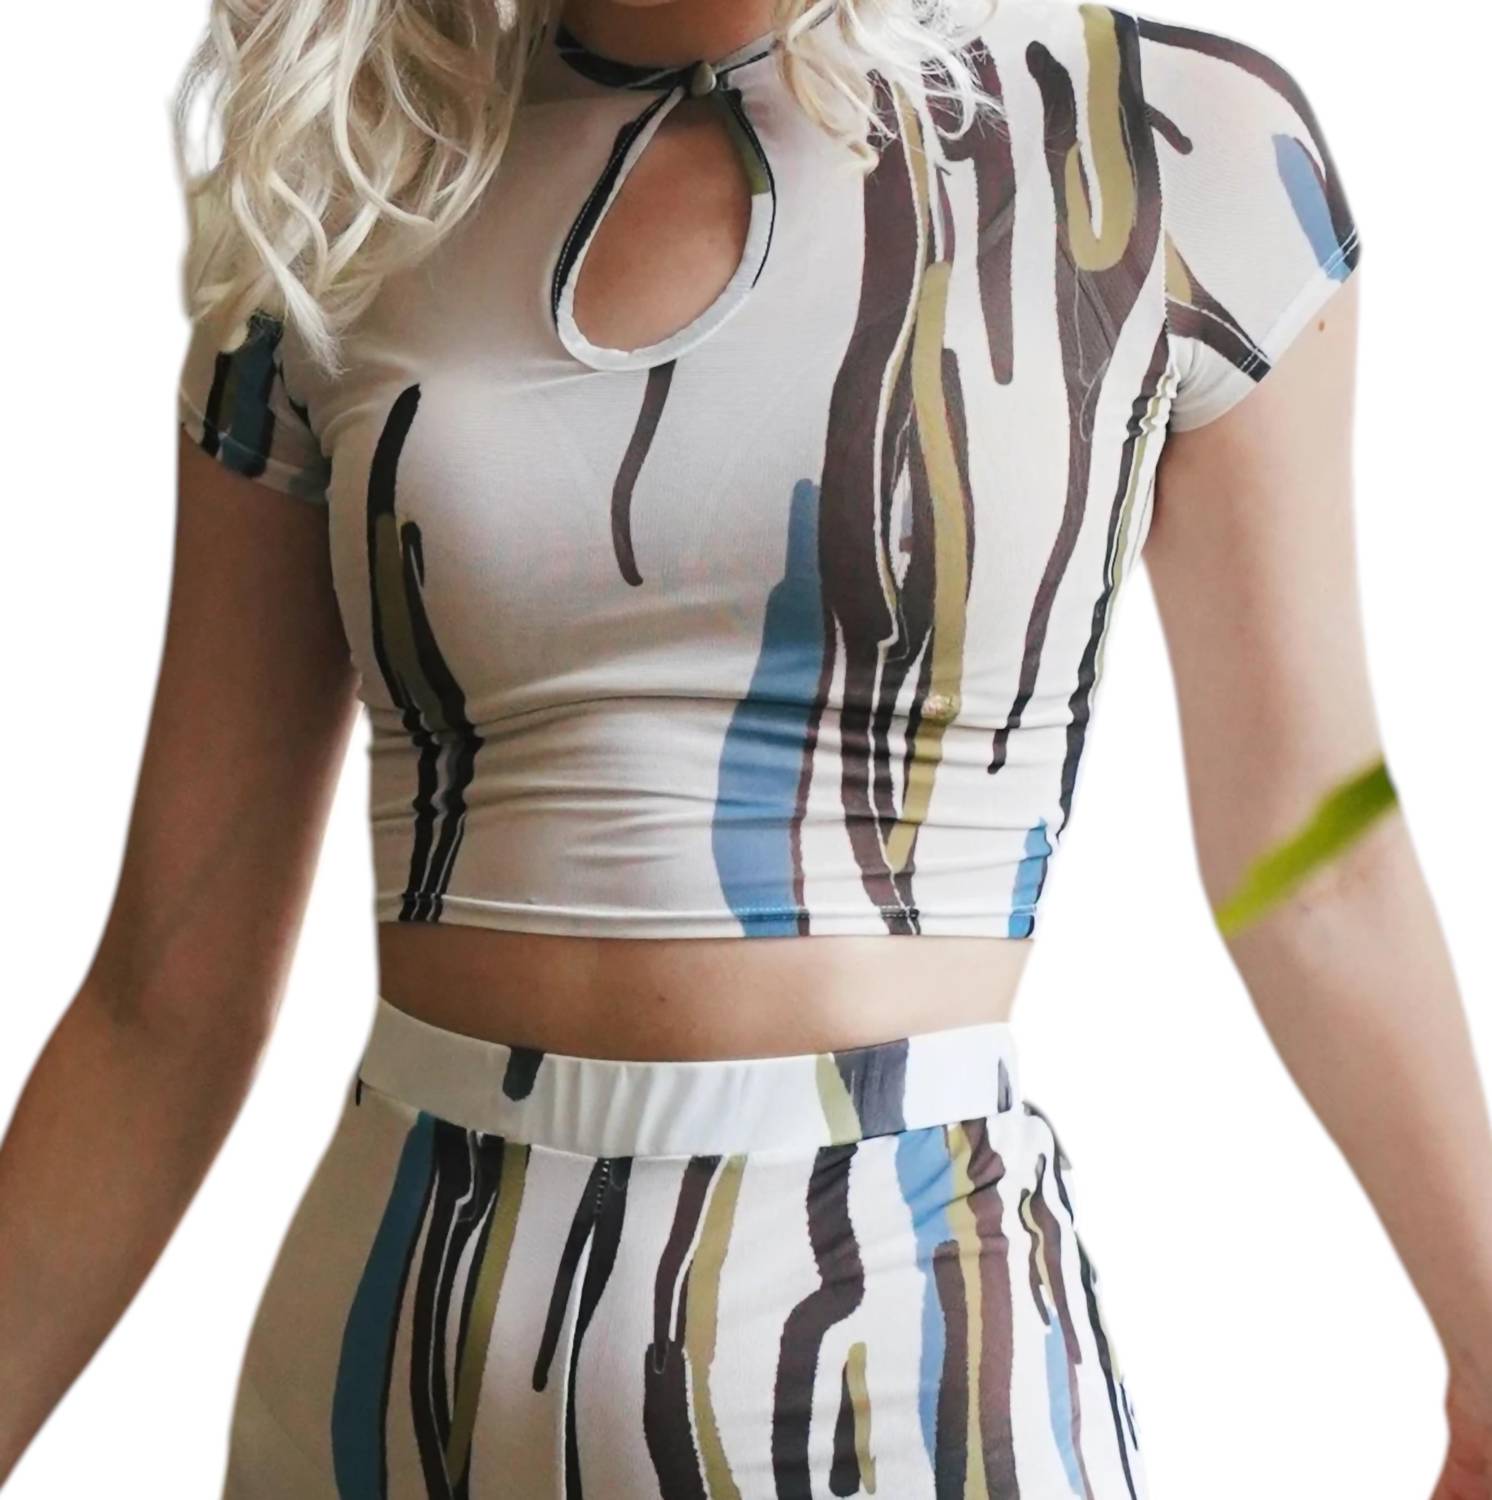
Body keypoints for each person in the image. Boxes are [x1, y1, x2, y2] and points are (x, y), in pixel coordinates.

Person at [1, 0, 1488, 1493]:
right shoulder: (359, 172)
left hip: (903, 1345)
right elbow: (163, 996)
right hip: (398, 1346)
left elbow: (1316, 855)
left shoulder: (1151, 143)